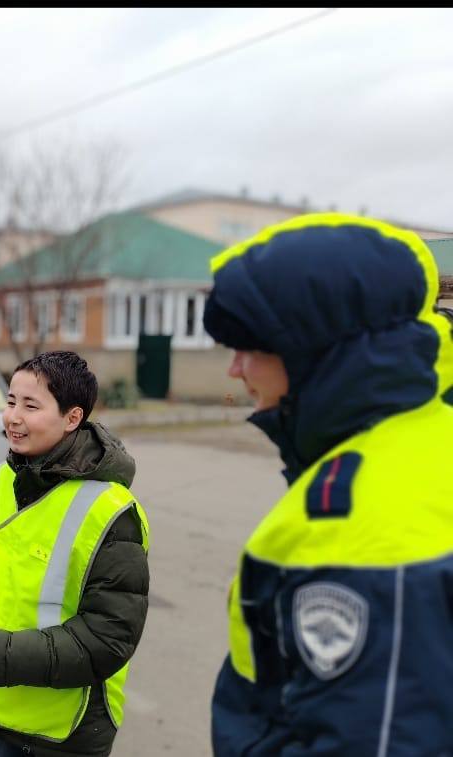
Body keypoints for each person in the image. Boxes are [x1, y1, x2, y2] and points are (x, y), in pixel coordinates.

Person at [203, 214, 453, 755]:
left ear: (319, 354)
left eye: (251, 347)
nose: (235, 370)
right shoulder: (430, 436)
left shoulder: (357, 523)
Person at [0, 350, 150, 757]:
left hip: (65, 729)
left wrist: (2, 652)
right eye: (10, 401)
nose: (13, 417)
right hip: (3, 707)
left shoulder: (111, 510)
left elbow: (110, 637)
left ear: (72, 418)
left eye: (31, 406)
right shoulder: (3, 478)